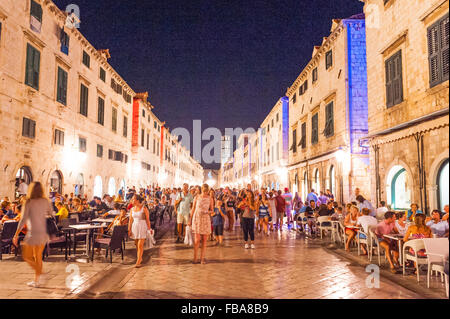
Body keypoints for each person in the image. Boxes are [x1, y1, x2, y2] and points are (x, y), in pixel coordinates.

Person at [12, 182, 52, 287]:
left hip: (33, 233)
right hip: (43, 233)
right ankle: (37, 281)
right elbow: (51, 214)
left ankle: (41, 274)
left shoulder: (29, 202)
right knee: (37, 257)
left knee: (26, 256)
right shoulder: (46, 201)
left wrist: (16, 234)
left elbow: (23, 219)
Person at [189, 184, 214, 264]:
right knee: (197, 240)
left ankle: (202, 258)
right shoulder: (196, 197)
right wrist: (190, 219)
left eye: (206, 192)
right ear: (201, 190)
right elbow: (193, 209)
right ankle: (195, 258)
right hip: (197, 219)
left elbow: (212, 210)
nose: (205, 193)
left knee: (204, 240)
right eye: (204, 191)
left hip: (205, 219)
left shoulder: (210, 199)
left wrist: (207, 212)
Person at [128, 194, 151, 268]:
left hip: (142, 226)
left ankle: (138, 261)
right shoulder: (132, 209)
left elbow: (147, 219)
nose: (132, 200)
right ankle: (140, 257)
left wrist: (149, 229)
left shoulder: (144, 208)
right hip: (135, 227)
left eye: (133, 199)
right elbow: (130, 220)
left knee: (140, 245)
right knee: (137, 245)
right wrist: (129, 229)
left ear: (137, 200)